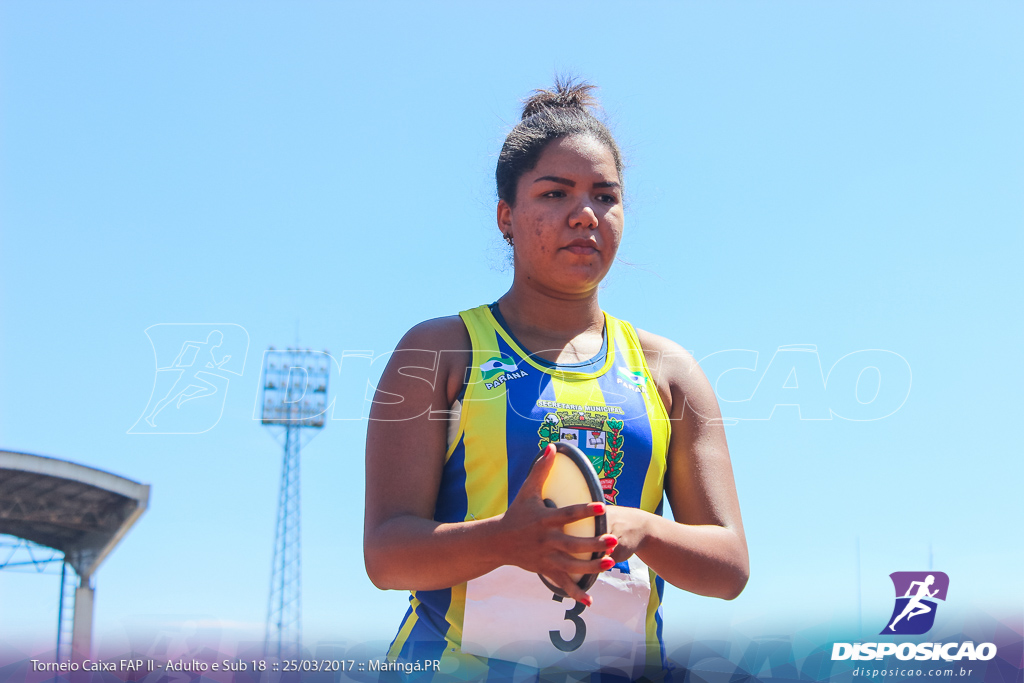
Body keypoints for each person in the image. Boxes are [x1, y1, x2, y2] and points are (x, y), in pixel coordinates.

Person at [363, 79, 748, 682]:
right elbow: (386, 555)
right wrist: (506, 540)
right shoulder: (437, 351)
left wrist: (642, 528)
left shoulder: (670, 372)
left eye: (605, 195)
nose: (584, 213)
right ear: (505, 217)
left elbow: (729, 567)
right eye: (555, 192)